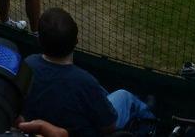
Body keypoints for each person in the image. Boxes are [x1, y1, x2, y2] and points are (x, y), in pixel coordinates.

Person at [20, 8, 153, 137]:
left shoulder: (28, 63)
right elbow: (109, 127)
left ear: (39, 39)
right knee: (125, 97)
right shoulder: (84, 81)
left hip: (37, 129)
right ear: (76, 42)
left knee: (99, 92)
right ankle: (151, 120)